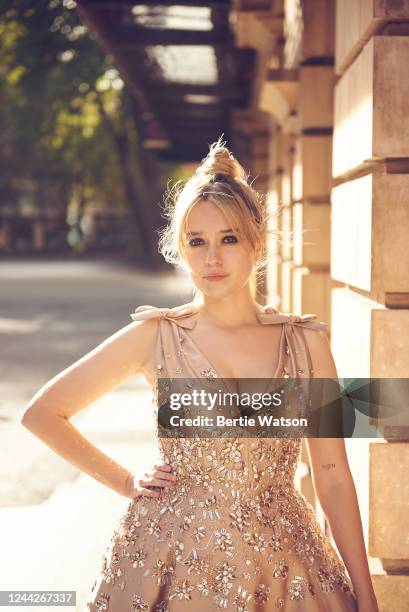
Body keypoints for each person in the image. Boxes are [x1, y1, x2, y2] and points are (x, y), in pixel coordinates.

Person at [21, 137, 379, 611]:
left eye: (228, 239)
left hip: (289, 568)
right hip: (170, 559)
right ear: (181, 250)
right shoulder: (155, 335)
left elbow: (332, 477)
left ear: (255, 242)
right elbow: (43, 413)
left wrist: (367, 595)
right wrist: (126, 482)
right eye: (197, 242)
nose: (213, 258)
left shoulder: (307, 343)